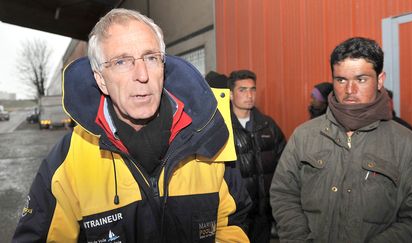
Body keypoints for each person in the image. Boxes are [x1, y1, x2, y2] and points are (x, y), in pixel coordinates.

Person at [13, 8, 251, 243]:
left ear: (163, 66)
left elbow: (234, 223)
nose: (142, 74)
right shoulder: (69, 161)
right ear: (101, 80)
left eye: (151, 57)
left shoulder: (208, 135)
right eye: (121, 61)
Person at [270, 37, 412, 242]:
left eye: (361, 79)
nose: (349, 90)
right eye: (341, 80)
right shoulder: (304, 136)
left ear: (380, 80)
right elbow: (283, 194)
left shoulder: (407, 144)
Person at [228, 70, 286, 243]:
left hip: (264, 214)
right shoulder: (223, 128)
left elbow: (284, 165)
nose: (249, 95)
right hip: (235, 216)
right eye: (242, 90)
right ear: (231, 94)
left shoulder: (268, 125)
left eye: (252, 89)